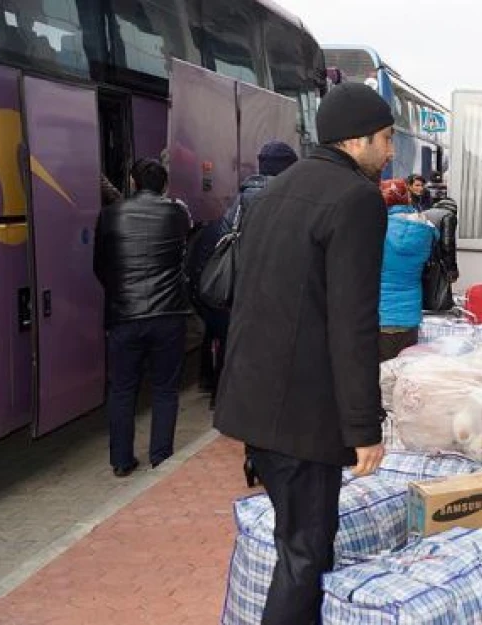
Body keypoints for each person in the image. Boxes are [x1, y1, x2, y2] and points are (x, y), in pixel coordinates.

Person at [213, 82, 390, 625]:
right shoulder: (356, 199)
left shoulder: (275, 190)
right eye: (385, 139)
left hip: (255, 401)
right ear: (356, 141)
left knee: (299, 543)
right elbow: (353, 322)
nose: (389, 152)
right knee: (306, 552)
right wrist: (363, 427)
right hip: (303, 415)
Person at [93, 158, 192, 477]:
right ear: (163, 185)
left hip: (124, 316)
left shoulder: (109, 215)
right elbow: (183, 256)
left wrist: (120, 291)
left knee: (122, 389)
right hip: (168, 315)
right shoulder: (177, 213)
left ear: (133, 183)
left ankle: (121, 461)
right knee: (165, 389)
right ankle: (161, 456)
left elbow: (100, 266)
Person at [185, 141, 300, 408]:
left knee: (234, 344)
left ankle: (227, 396)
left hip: (235, 289)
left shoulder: (241, 196)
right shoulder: (284, 198)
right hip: (266, 290)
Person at [378, 179, 439, 361]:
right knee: (404, 373)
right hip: (411, 314)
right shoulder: (424, 228)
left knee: (381, 374)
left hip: (381, 314)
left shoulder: (376, 226)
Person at [423, 196, 460, 284]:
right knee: (439, 294)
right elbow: (447, 244)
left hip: (421, 261)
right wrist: (452, 269)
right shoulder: (449, 216)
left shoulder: (424, 213)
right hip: (436, 263)